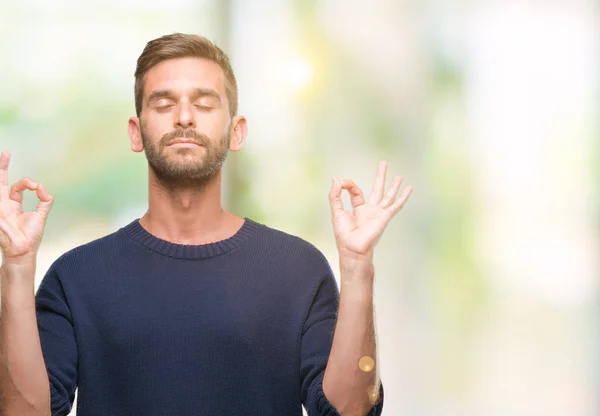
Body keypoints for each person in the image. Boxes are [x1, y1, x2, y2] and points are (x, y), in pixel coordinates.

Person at [0, 33, 412, 416]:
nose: (183, 117)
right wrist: (16, 267)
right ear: (136, 131)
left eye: (204, 103)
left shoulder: (297, 269)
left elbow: (351, 411)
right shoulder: (77, 277)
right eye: (163, 103)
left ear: (237, 132)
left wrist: (358, 266)